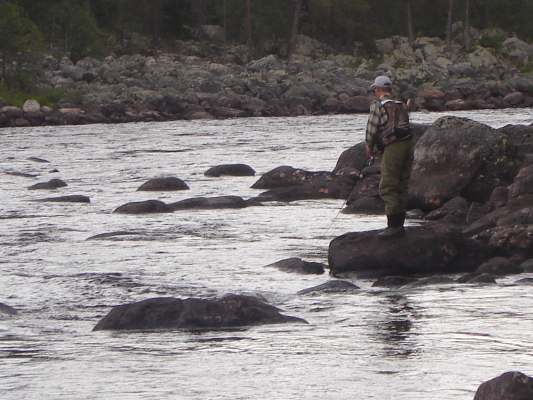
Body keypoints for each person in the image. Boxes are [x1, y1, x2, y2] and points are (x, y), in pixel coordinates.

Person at [365, 75, 414, 239]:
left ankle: (393, 226)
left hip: (394, 148)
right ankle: (400, 224)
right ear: (390, 90)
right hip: (408, 146)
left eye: (374, 89)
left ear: (377, 89)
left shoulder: (377, 105)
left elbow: (372, 128)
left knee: (388, 185)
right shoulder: (401, 105)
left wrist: (369, 147)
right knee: (402, 184)